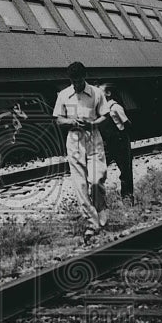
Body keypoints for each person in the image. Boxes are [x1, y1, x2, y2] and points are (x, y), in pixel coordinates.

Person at [54, 62, 110, 241]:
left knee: (96, 180)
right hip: (74, 140)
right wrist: (70, 122)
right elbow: (58, 119)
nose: (77, 85)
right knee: (80, 185)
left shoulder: (96, 93)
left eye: (79, 81)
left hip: (93, 139)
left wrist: (93, 123)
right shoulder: (63, 95)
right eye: (73, 81)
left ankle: (101, 208)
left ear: (85, 77)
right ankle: (91, 223)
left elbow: (105, 116)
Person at [99, 84, 134, 201]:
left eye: (100, 91)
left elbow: (127, 122)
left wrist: (124, 136)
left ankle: (127, 197)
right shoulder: (103, 109)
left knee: (125, 171)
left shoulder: (115, 107)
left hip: (120, 141)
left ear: (108, 93)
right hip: (109, 142)